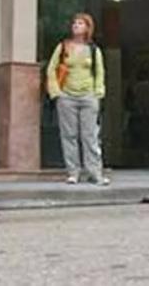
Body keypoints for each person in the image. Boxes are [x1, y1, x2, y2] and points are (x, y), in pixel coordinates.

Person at [46, 13, 109, 186]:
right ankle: (73, 172)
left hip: (88, 96)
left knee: (90, 136)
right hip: (66, 96)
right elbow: (51, 69)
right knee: (69, 135)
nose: (76, 25)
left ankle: (94, 173)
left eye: (80, 23)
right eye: (74, 23)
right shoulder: (63, 46)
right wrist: (56, 93)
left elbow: (99, 72)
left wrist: (98, 93)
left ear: (88, 28)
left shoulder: (94, 50)